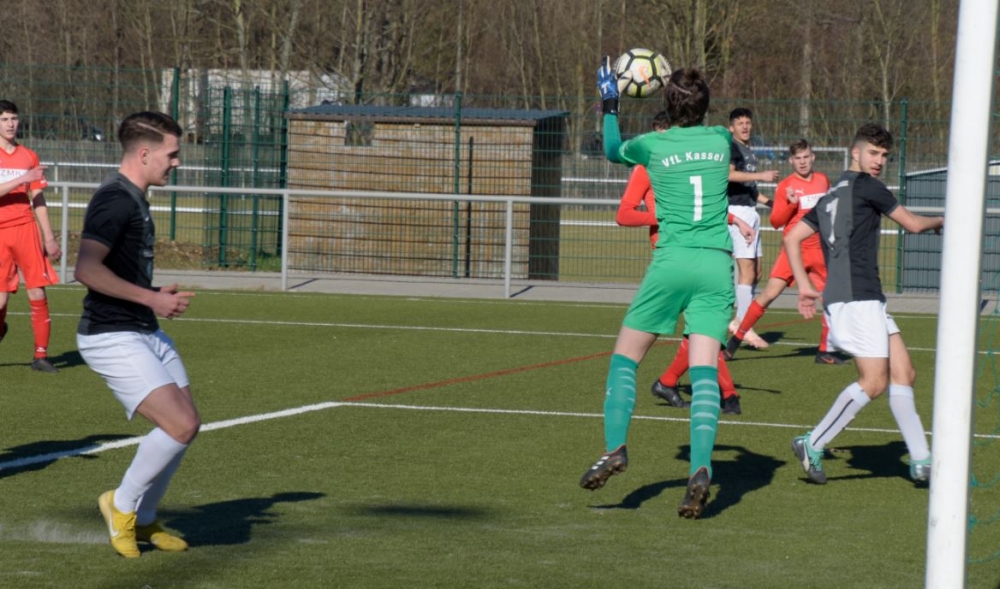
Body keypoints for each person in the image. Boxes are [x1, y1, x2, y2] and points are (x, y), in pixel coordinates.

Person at [579, 60, 752, 519]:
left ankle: (615, 448)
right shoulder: (720, 139)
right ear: (705, 106)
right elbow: (707, 129)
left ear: (667, 104)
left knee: (624, 360)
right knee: (705, 371)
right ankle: (700, 469)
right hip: (715, 264)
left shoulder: (651, 145)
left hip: (671, 260)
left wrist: (611, 104)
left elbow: (611, 149)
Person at [784, 123, 943, 485]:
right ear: (855, 152)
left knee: (904, 373)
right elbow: (912, 224)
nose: (879, 161)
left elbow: (792, 237)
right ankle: (813, 442)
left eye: (884, 155)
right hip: (857, 298)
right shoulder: (869, 186)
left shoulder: (832, 191)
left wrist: (805, 286)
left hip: (861, 297)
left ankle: (921, 459)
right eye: (873, 153)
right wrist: (941, 221)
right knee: (873, 381)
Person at [75, 111, 200, 558]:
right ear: (144, 154)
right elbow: (86, 269)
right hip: (111, 335)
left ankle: (144, 520)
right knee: (179, 424)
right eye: (172, 154)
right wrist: (151, 299)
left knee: (187, 426)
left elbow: (116, 270)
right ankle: (121, 506)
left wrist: (151, 295)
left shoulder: (135, 197)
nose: (177, 162)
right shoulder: (116, 199)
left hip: (142, 327)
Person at [615, 111, 747, 415]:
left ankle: (676, 383)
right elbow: (624, 214)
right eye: (663, 135)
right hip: (671, 256)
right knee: (701, 333)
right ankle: (723, 394)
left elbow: (698, 206)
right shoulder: (647, 167)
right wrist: (662, 218)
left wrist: (734, 219)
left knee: (700, 332)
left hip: (695, 251)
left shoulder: (684, 161)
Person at [724, 139, 845, 365]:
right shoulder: (786, 186)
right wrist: (790, 204)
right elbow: (776, 221)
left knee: (831, 298)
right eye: (797, 158)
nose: (802, 162)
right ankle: (734, 343)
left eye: (806, 157)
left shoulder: (823, 180)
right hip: (793, 251)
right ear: (791, 161)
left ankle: (824, 351)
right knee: (768, 295)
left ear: (813, 157)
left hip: (818, 250)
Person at [0, 100, 62, 373]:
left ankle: (41, 356)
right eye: (4, 119)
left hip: (26, 229)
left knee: (37, 290)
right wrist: (23, 178)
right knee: (1, 299)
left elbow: (38, 198)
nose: (10, 124)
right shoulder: (25, 169)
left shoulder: (29, 155)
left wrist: (49, 236)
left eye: (14, 118)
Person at [727, 107, 777, 350]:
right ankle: (744, 326)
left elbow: (751, 190)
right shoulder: (732, 147)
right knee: (746, 272)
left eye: (747, 122)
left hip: (750, 211)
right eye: (740, 123)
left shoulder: (749, 150)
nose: (745, 126)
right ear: (731, 128)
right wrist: (761, 175)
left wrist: (773, 203)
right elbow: (729, 175)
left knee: (756, 273)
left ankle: (739, 321)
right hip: (737, 213)